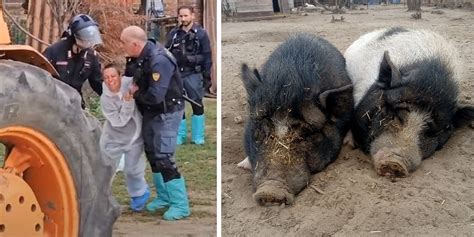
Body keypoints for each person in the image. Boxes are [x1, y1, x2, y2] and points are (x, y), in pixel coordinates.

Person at [120, 25, 190, 221]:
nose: (122, 46)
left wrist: (135, 93)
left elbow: (155, 95)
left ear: (134, 43)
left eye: (124, 42)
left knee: (164, 156)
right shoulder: (141, 56)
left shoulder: (159, 60)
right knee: (152, 153)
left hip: (166, 112)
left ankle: (180, 204)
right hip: (151, 111)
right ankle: (164, 197)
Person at [99, 63, 150, 212]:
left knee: (133, 170)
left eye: (113, 76)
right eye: (106, 77)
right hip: (113, 139)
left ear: (120, 76)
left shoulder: (129, 83)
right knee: (105, 169)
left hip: (134, 137)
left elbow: (141, 79)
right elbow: (118, 121)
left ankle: (139, 195)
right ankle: (100, 198)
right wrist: (128, 102)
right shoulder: (105, 99)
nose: (110, 80)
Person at [165, 5, 213, 145]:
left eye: (186, 15)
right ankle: (180, 135)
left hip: (193, 73)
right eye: (181, 16)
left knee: (197, 103)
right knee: (177, 105)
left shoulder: (201, 34)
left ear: (192, 16)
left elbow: (207, 56)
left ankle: (198, 136)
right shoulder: (174, 34)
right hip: (176, 74)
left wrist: (206, 76)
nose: (183, 18)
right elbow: (165, 52)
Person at [43, 14, 103, 108]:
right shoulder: (54, 51)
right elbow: (41, 77)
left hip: (75, 102)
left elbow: (97, 83)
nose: (88, 40)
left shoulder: (92, 57)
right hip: (53, 101)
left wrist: (113, 98)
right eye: (85, 35)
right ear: (74, 35)